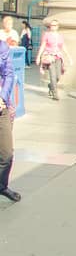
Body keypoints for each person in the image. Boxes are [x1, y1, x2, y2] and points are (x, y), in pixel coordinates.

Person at [0, 37, 20, 202]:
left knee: (6, 154)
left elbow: (9, 74)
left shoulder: (2, 47)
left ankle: (1, 186)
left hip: (1, 107)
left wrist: (2, 97)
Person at [37, 18, 70, 101]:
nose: (52, 27)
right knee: (53, 75)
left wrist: (69, 56)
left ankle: (51, 86)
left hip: (58, 57)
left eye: (54, 25)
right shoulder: (47, 35)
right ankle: (55, 94)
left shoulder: (60, 36)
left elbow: (63, 46)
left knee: (58, 76)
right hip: (49, 57)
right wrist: (38, 56)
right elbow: (43, 46)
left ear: (57, 26)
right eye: (51, 25)